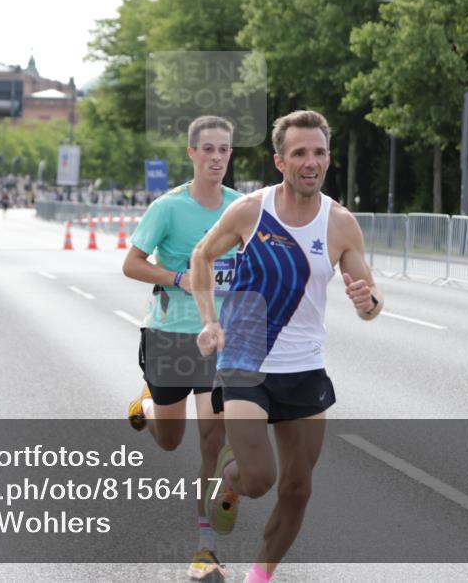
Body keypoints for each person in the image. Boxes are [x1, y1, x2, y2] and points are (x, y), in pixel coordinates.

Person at [191, 110, 383, 583]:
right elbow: (202, 255)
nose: (310, 162)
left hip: (304, 369)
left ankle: (260, 576)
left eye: (319, 152)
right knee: (260, 479)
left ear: (328, 159)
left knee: (297, 490)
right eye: (299, 153)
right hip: (245, 362)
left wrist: (369, 302)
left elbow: (371, 302)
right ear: (280, 161)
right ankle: (231, 480)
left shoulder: (340, 224)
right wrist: (210, 320)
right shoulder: (251, 211)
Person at [124, 115, 241, 582]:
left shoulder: (240, 208)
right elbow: (132, 264)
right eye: (208, 149)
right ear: (192, 153)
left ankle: (204, 547)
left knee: (212, 439)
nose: (216, 157)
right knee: (170, 440)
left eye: (224, 150)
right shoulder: (168, 208)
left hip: (219, 339)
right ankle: (149, 406)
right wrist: (178, 277)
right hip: (170, 337)